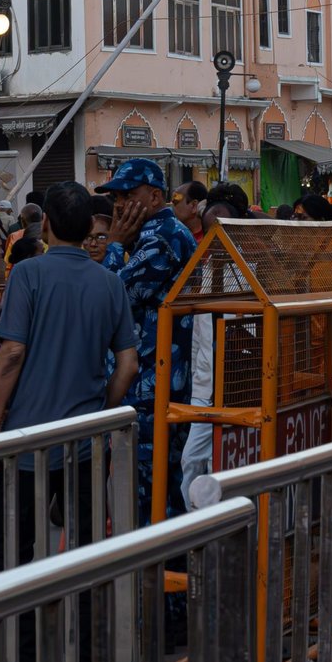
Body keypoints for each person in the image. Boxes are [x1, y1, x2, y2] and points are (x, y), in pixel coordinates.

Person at [0, 182, 138, 662]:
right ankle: (88, 650)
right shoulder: (108, 281)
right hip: (87, 443)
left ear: (45, 223)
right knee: (88, 553)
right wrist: (102, 408)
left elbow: (10, 352)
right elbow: (128, 364)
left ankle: (19, 652)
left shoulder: (28, 272)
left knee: (12, 554)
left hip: (29, 441)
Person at [98, 158, 197, 526]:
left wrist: (113, 246)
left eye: (128, 195)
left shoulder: (162, 238)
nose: (119, 205)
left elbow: (111, 297)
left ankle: (157, 577)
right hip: (151, 387)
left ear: (155, 197)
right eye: (115, 198)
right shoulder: (156, 234)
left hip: (151, 391)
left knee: (149, 498)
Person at [178, 187, 248, 509]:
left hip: (240, 390)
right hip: (204, 391)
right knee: (191, 463)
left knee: (229, 469)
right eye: (208, 233)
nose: (214, 240)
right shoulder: (201, 273)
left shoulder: (250, 277)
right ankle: (200, 531)